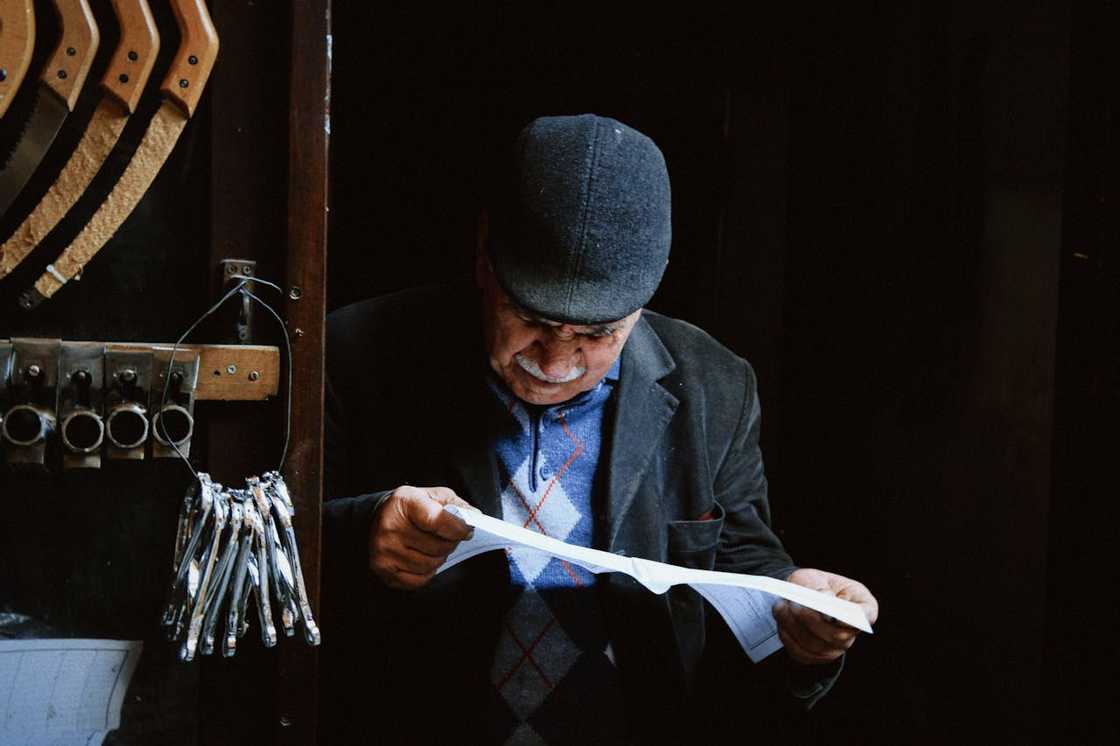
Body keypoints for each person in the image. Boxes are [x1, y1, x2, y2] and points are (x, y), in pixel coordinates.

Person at [320, 114, 879, 744]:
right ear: (484, 256)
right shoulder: (355, 353)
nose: (556, 362)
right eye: (531, 319)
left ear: (643, 299)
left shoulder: (717, 386)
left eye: (597, 334)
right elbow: (260, 547)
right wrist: (363, 530)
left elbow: (743, 559)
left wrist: (797, 609)